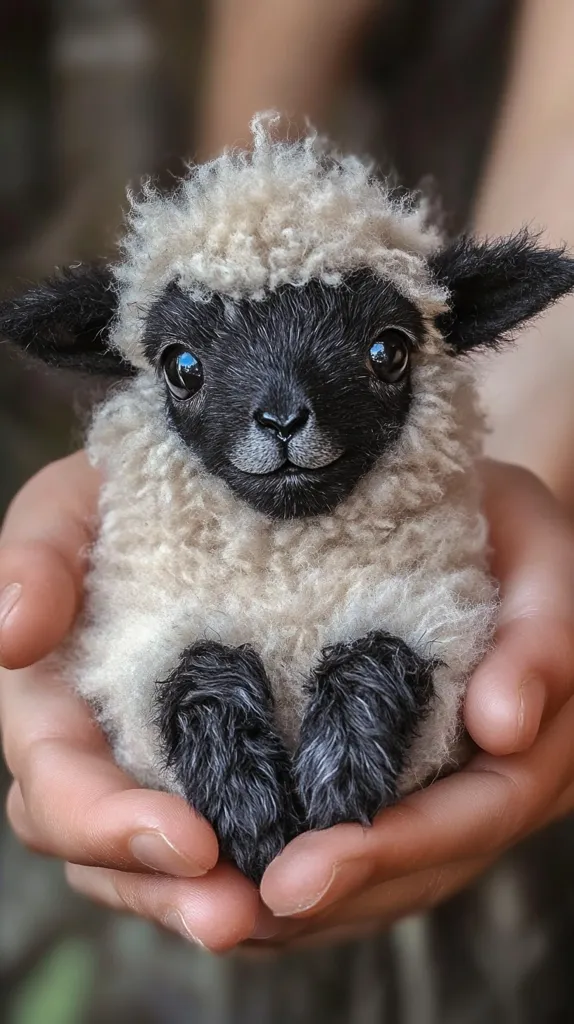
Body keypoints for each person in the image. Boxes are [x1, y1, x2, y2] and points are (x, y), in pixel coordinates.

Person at [1, 0, 574, 953]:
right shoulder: (145, 500)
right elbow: (235, 248)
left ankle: (377, 680)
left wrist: (539, 452)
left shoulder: (440, 510)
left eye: (386, 348)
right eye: (184, 368)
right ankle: (199, 702)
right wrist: (228, 198)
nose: (282, 407)